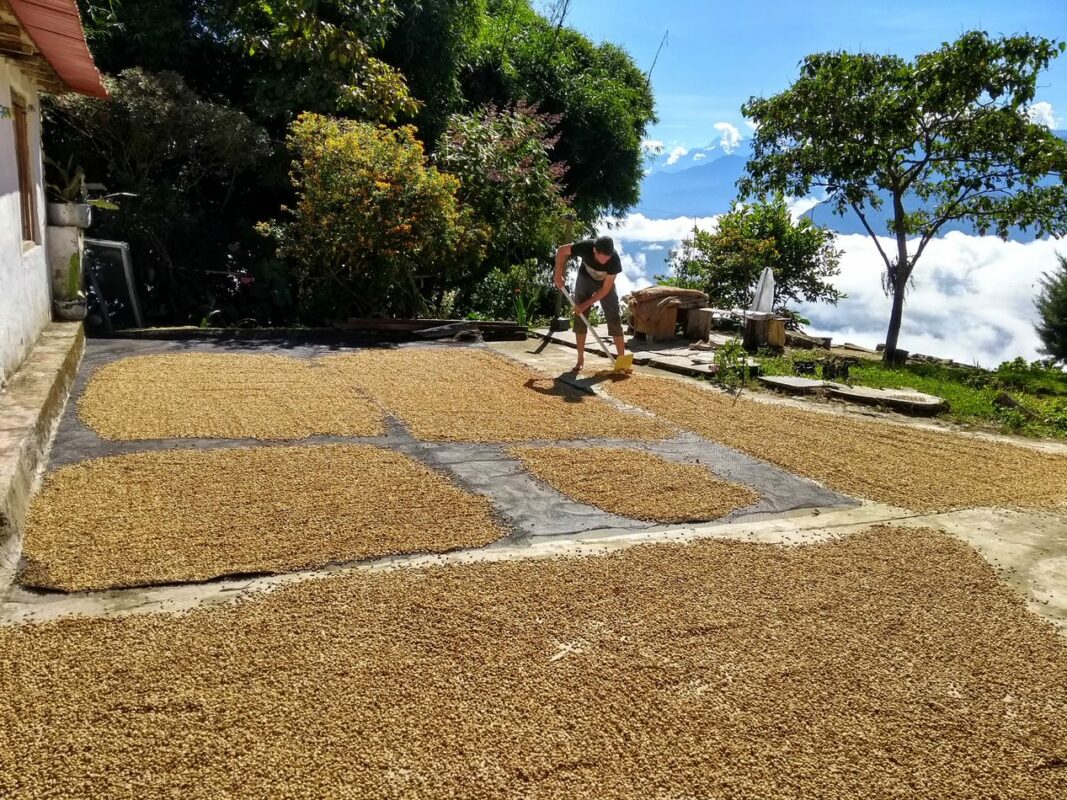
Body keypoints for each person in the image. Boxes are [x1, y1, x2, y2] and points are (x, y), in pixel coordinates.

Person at [553, 235, 627, 372]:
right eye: (602, 257)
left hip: (604, 285)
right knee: (580, 318)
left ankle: (622, 362)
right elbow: (562, 250)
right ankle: (580, 359)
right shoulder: (585, 247)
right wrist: (557, 274)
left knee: (614, 317)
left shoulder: (615, 261)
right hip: (584, 279)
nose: (605, 261)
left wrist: (586, 304)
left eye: (607, 258)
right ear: (594, 251)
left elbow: (605, 289)